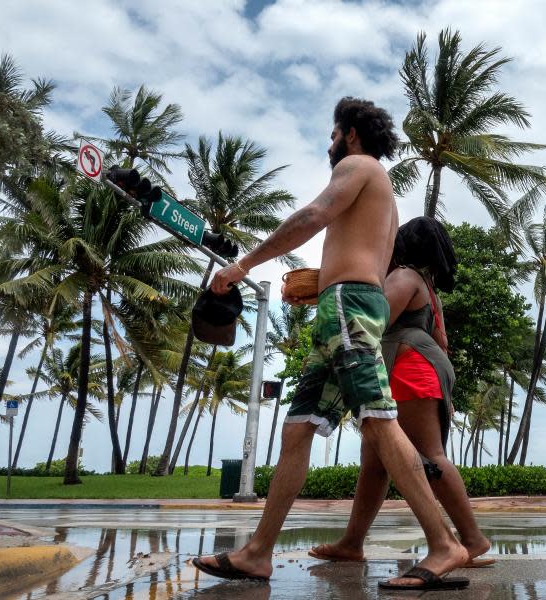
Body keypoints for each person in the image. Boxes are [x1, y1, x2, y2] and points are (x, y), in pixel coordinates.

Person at [192, 98, 469, 591]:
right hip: (342, 306)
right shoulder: (381, 192)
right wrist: (323, 284)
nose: (330, 144)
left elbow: (314, 214)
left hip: (348, 307)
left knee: (379, 421)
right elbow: (364, 259)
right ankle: (257, 553)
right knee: (297, 430)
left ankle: (445, 545)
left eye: (333, 134)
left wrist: (244, 265)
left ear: (351, 134)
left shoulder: (359, 166)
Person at [307, 217, 494, 568]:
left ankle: (472, 539)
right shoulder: (427, 288)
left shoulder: (404, 277)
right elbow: (443, 343)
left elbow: (372, 322)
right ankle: (352, 542)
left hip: (409, 370)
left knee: (430, 455)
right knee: (375, 463)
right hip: (419, 369)